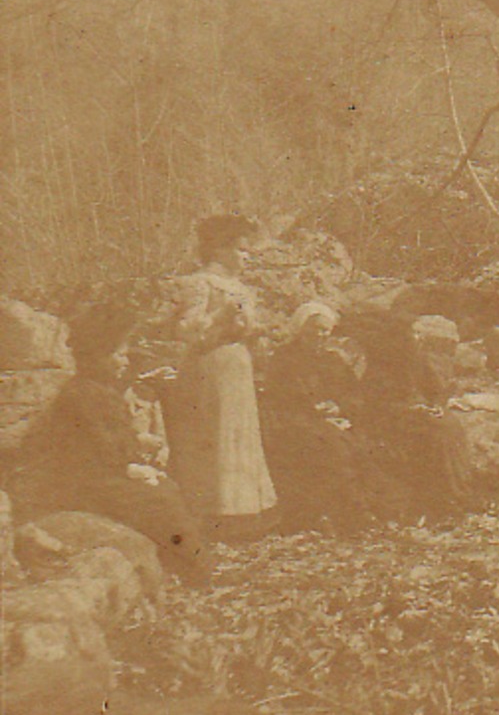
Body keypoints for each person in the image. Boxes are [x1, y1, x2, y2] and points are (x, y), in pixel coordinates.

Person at [8, 303, 209, 581]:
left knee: (168, 488)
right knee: (162, 497)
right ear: (96, 357)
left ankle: (182, 561)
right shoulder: (84, 395)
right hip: (84, 481)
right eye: (120, 354)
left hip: (100, 471)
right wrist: (135, 464)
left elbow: (110, 438)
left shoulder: (97, 391)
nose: (125, 361)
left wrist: (138, 442)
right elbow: (100, 449)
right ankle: (192, 569)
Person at [164, 214, 278, 540]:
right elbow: (186, 330)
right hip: (209, 367)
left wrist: (255, 332)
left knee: (239, 435)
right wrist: (223, 315)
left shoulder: (240, 288)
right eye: (241, 250)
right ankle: (213, 517)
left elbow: (243, 328)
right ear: (218, 249)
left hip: (236, 366)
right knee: (214, 435)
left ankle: (241, 515)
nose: (247, 257)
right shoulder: (199, 283)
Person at [262, 302, 398, 533]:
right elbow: (278, 397)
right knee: (335, 447)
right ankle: (354, 514)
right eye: (313, 328)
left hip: (333, 421)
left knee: (364, 444)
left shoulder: (333, 360)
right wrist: (314, 410)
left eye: (324, 330)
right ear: (300, 328)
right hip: (295, 421)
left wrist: (338, 407)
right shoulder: (284, 358)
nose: (319, 334)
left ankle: (379, 509)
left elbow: (355, 395)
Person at [349, 311, 477, 520]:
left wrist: (436, 406)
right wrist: (411, 409)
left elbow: (436, 391)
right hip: (392, 421)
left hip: (420, 415)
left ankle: (459, 492)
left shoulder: (418, 360)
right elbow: (374, 405)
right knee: (439, 432)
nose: (417, 339)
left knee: (451, 427)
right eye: (412, 334)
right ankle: (447, 498)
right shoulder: (381, 367)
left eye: (418, 334)